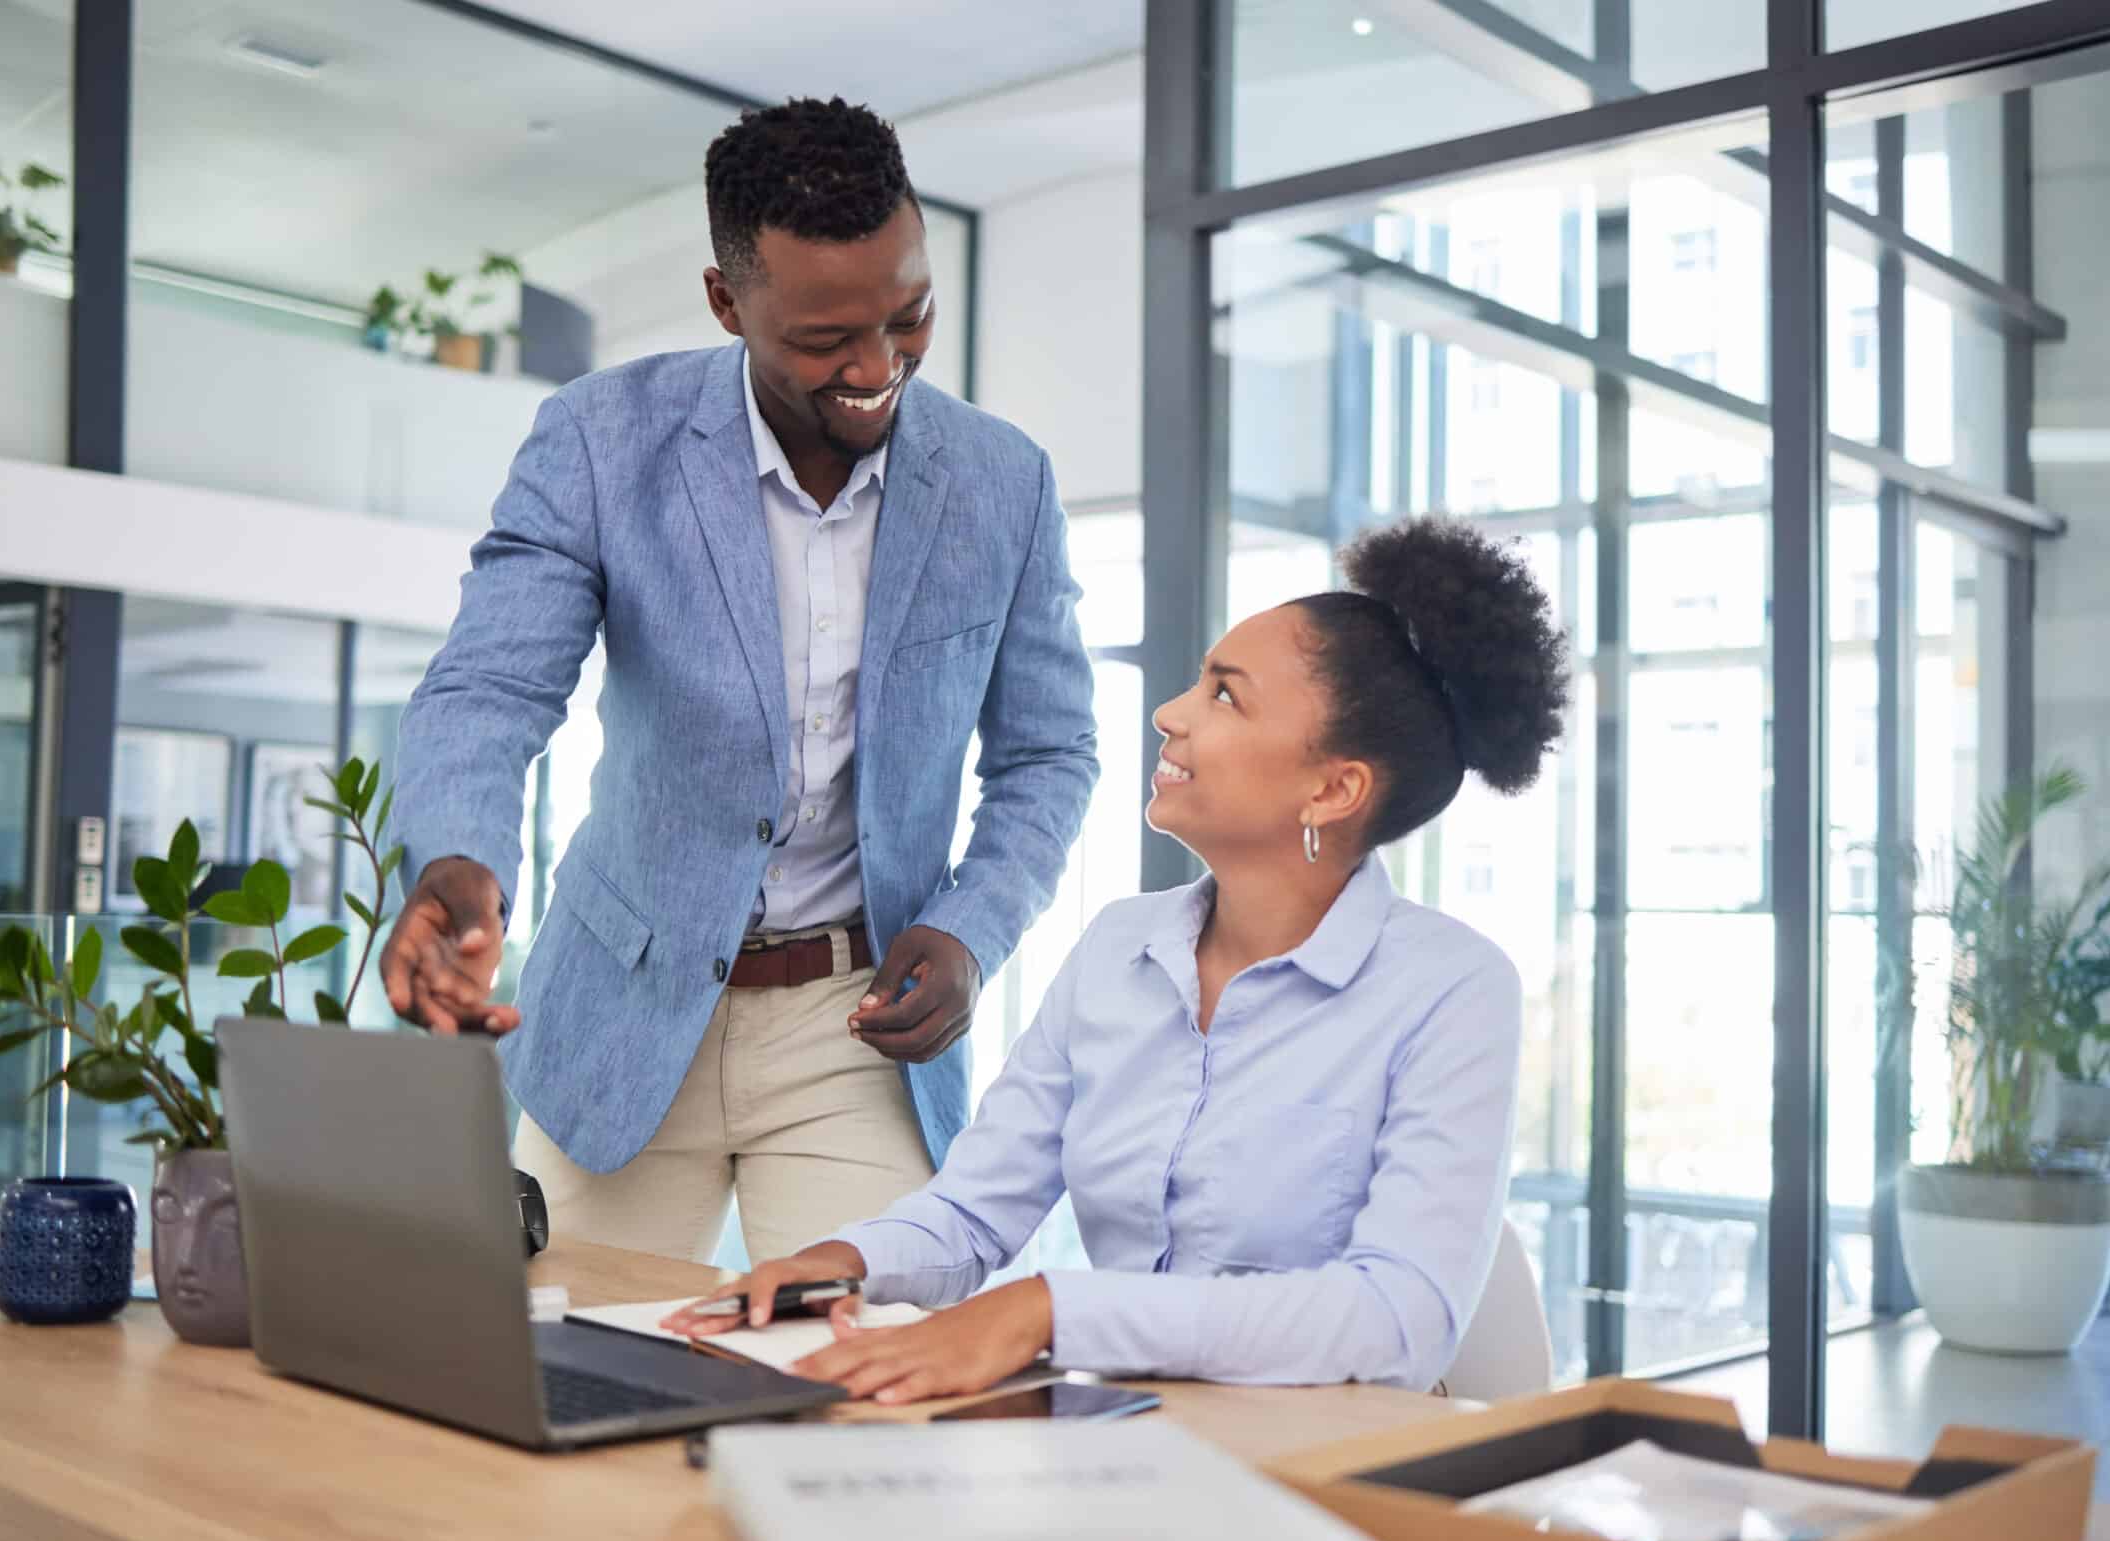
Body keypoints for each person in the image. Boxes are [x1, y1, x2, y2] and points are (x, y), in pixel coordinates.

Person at [381, 98, 1098, 1264]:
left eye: (907, 315)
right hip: (624, 1007)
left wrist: (968, 930)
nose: (877, 366)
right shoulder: (603, 441)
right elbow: (489, 690)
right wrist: (459, 862)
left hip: (853, 1027)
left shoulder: (1000, 482)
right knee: (557, 1371)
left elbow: (1050, 755)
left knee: (860, 1384)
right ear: (727, 302)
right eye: (826, 339)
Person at [666, 518, 1571, 1399]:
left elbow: (1397, 1318)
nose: (1170, 713)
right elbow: (975, 1209)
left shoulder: (1451, 987)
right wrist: (839, 1264)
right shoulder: (1115, 949)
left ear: (1333, 788)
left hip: (1335, 1462)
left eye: (1224, 694)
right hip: (1137, 1434)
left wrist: (1053, 1311)